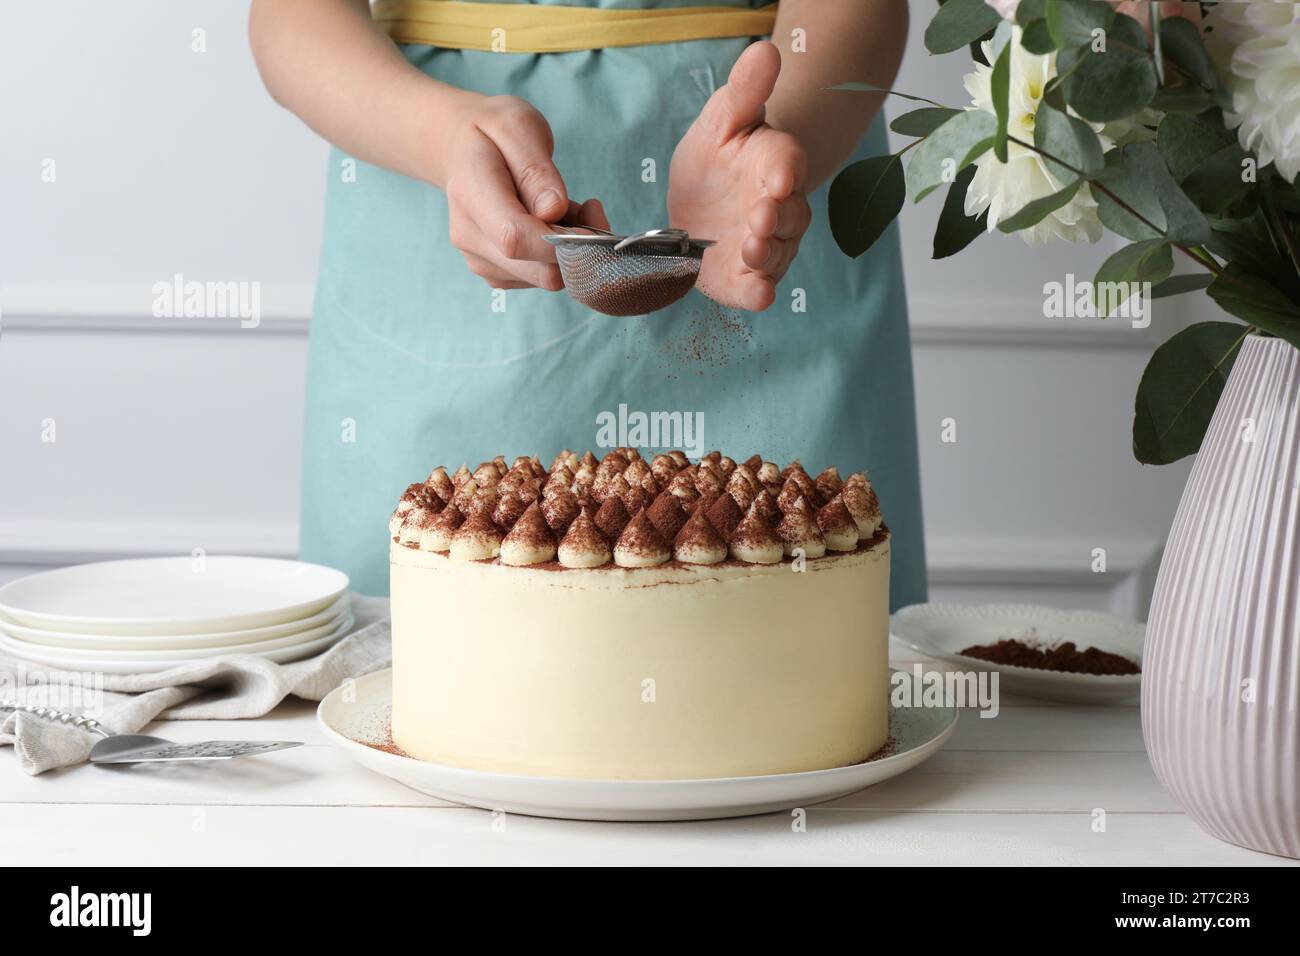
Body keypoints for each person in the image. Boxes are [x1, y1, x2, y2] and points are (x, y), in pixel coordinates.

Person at [249, 0, 923, 607]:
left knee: (806, 679)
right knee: (433, 691)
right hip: (432, 220)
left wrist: (780, 140)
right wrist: (441, 136)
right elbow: (290, 17)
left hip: (773, 197)